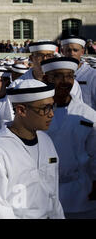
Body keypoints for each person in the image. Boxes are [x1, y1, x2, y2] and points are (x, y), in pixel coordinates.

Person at [0, 79, 64, 219]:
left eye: (52, 106)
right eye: (45, 108)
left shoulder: (46, 141)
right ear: (21, 110)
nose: (51, 114)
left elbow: (53, 196)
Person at [40, 57, 96, 218]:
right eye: (58, 76)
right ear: (46, 79)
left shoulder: (88, 114)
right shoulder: (35, 113)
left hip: (80, 195)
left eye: (70, 76)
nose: (65, 81)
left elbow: (94, 153)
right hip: (43, 193)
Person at [12, 40, 83, 103]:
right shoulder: (17, 85)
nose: (45, 59)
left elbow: (78, 109)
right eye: (40, 55)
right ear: (31, 58)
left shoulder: (69, 84)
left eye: (49, 55)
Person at [61, 35, 96, 110]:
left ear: (82, 52)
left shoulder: (93, 75)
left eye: (75, 50)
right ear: (62, 51)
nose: (72, 53)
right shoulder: (55, 74)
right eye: (68, 50)